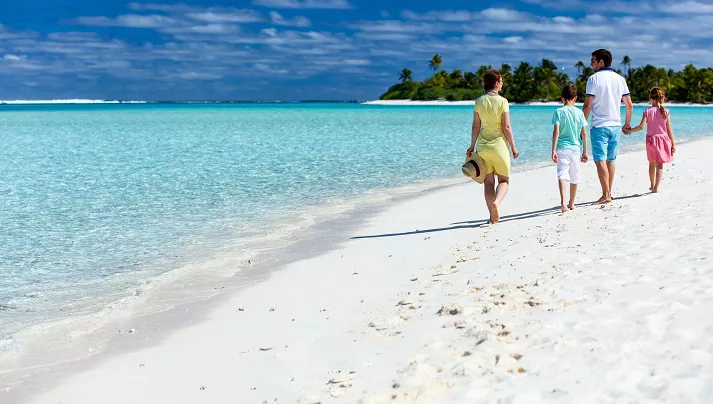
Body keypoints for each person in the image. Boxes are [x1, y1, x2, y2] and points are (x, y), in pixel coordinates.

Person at [467, 70, 519, 223]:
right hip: (499, 147)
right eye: (501, 81)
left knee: (488, 182)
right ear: (496, 83)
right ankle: (497, 203)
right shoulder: (503, 101)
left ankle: (492, 216)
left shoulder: (479, 101)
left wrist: (471, 146)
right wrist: (514, 148)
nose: (502, 84)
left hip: (483, 147)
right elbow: (507, 127)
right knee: (503, 181)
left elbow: (476, 126)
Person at [582, 49, 633, 204]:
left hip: (599, 126)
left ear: (601, 62)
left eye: (593, 60)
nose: (591, 63)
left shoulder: (593, 79)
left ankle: (606, 194)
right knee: (610, 160)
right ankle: (608, 192)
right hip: (616, 126)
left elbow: (588, 105)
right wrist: (627, 124)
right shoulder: (620, 79)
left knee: (600, 160)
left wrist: (581, 125)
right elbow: (629, 105)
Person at [625, 87, 676, 193]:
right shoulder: (666, 111)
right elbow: (669, 129)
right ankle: (656, 187)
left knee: (652, 163)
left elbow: (641, 127)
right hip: (663, 140)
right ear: (662, 99)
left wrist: (629, 131)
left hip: (651, 141)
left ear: (650, 98)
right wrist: (673, 144)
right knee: (660, 164)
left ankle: (652, 185)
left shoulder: (647, 111)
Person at [551, 84, 589, 212]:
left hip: (562, 148)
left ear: (562, 98)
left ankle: (563, 203)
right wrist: (585, 151)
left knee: (562, 174)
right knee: (574, 176)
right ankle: (572, 203)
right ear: (575, 98)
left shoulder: (558, 112)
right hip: (576, 148)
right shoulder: (580, 113)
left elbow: (556, 132)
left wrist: (553, 150)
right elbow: (584, 133)